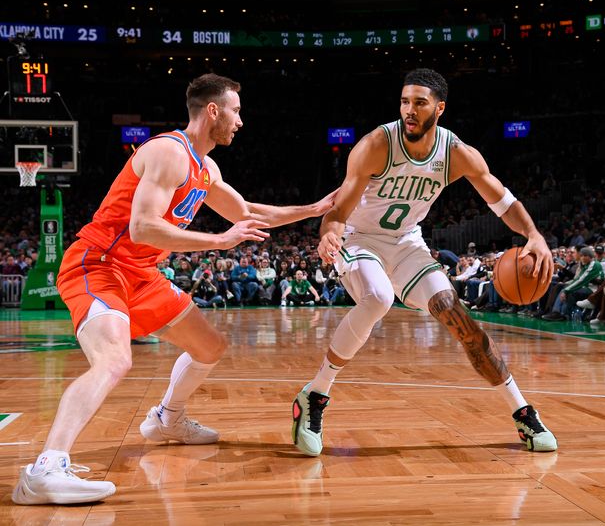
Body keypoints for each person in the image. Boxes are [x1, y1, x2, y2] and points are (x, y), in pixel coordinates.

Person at [13, 73, 335, 505]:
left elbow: (247, 212)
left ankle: (167, 418)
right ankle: (44, 470)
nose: (241, 121)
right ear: (213, 111)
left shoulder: (206, 168)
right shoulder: (168, 151)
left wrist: (315, 209)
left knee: (210, 346)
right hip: (99, 265)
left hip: (143, 275)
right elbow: (142, 227)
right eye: (236, 111)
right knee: (113, 361)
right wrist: (219, 241)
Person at [291, 68, 557, 458]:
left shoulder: (455, 153)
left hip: (406, 244)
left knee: (458, 317)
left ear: (440, 108)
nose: (409, 110)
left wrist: (533, 235)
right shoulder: (376, 144)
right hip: (360, 239)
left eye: (419, 103)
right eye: (404, 101)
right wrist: (329, 233)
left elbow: (501, 200)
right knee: (378, 297)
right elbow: (337, 211)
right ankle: (314, 396)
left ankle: (523, 411)